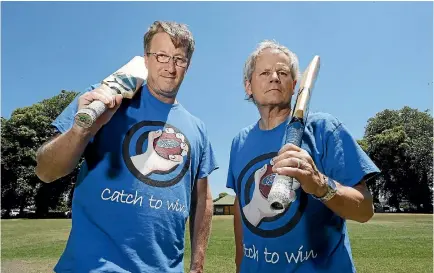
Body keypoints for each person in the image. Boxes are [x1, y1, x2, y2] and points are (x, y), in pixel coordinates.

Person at [35, 21, 218, 273]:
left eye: (179, 58)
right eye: (161, 56)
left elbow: (202, 199)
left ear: (188, 65)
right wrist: (81, 130)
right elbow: (46, 170)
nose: (170, 67)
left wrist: (197, 264)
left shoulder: (197, 128)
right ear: (145, 58)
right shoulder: (102, 98)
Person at [226, 40, 380, 273]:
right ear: (248, 86)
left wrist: (320, 184)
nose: (274, 77)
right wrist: (240, 264)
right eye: (265, 72)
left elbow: (365, 210)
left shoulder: (324, 129)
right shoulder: (240, 141)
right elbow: (240, 205)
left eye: (282, 72)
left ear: (295, 85)